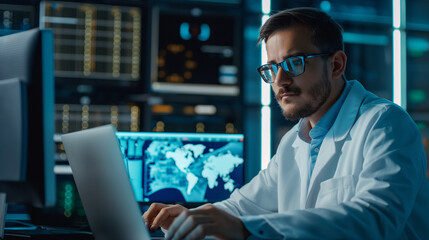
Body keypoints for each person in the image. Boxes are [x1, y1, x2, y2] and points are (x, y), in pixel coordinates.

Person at [143, 7, 429, 239]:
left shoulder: (384, 123)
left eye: (294, 63)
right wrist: (191, 218)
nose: (279, 81)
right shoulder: (295, 141)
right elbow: (244, 206)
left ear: (336, 65)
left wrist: (244, 228)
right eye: (272, 68)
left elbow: (375, 220)